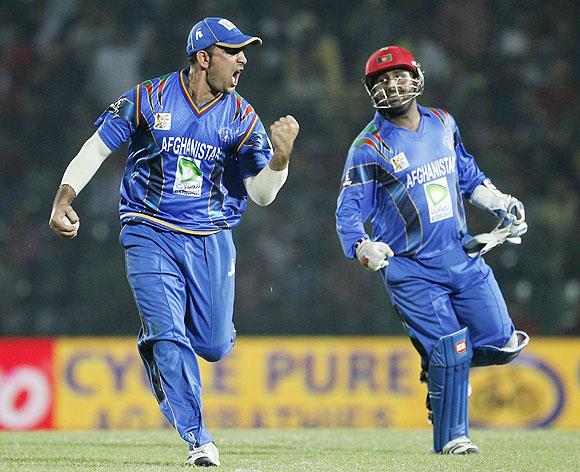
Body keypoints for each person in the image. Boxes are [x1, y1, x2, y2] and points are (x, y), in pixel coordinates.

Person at [49, 17, 299, 467]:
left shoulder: (242, 116)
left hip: (211, 237)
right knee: (170, 334)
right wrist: (64, 198)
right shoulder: (147, 98)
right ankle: (199, 439)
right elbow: (98, 147)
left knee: (215, 346)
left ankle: (162, 334)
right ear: (204, 58)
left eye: (244, 50)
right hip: (149, 230)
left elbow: (261, 195)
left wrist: (279, 159)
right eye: (233, 50)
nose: (243, 59)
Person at [335, 45, 529, 454]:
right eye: (382, 80)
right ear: (371, 90)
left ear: (416, 76)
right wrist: (360, 246)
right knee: (452, 349)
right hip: (411, 269)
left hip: (461, 255)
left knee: (502, 342)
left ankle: (439, 370)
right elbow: (347, 212)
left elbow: (467, 174)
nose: (393, 84)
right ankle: (453, 438)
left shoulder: (443, 122)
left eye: (399, 75)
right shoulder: (367, 147)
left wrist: (499, 202)